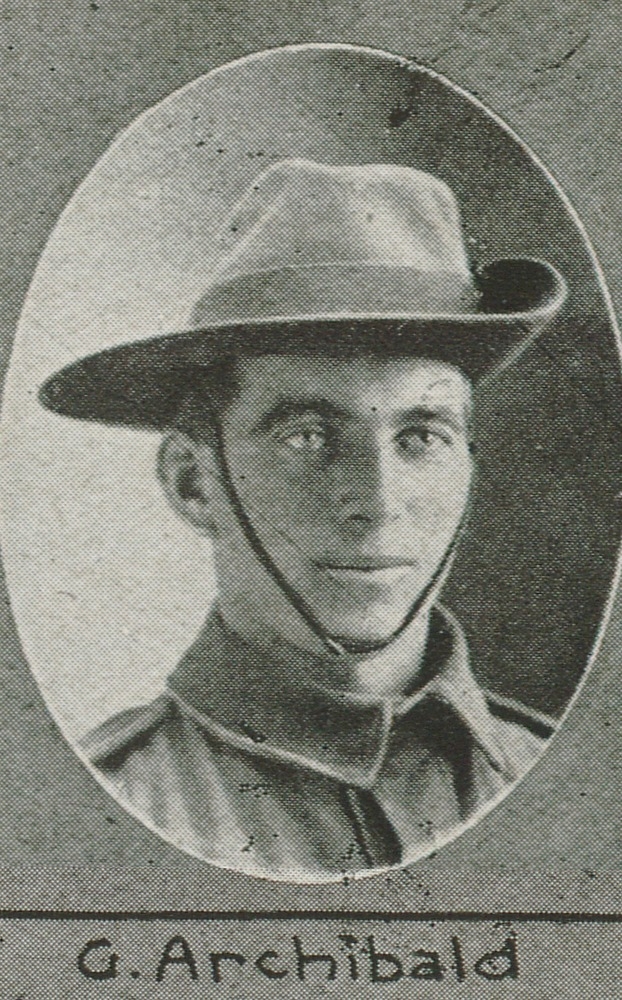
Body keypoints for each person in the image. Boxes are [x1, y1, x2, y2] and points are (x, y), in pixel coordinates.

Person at [39, 158, 567, 880]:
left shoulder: (569, 777)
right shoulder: (98, 809)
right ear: (195, 484)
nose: (379, 502)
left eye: (422, 437)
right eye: (308, 438)